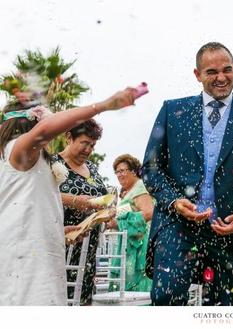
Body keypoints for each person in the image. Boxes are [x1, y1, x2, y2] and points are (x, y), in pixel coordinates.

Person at [142, 42, 233, 306]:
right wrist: (174, 201)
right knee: (165, 295)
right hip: (176, 224)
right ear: (197, 74)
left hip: (229, 226)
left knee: (224, 308)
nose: (221, 77)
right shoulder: (173, 111)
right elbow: (151, 168)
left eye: (227, 69)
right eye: (211, 72)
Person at [0, 87, 136, 305]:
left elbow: (26, 207)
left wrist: (59, 230)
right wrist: (103, 105)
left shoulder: (24, 159)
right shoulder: (17, 150)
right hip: (25, 261)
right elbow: (44, 130)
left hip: (34, 252)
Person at [53, 119, 113, 305]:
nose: (88, 150)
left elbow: (103, 197)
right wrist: (75, 201)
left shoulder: (93, 168)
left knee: (84, 299)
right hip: (62, 243)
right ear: (69, 137)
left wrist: (107, 210)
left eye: (93, 145)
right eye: (84, 143)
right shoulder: (52, 163)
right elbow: (41, 194)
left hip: (89, 249)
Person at [106, 154, 154, 292]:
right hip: (129, 243)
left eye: (122, 171)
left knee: (137, 285)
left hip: (140, 245)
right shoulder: (130, 190)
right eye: (117, 172)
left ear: (133, 171)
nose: (119, 175)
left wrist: (118, 224)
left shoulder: (140, 187)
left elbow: (149, 213)